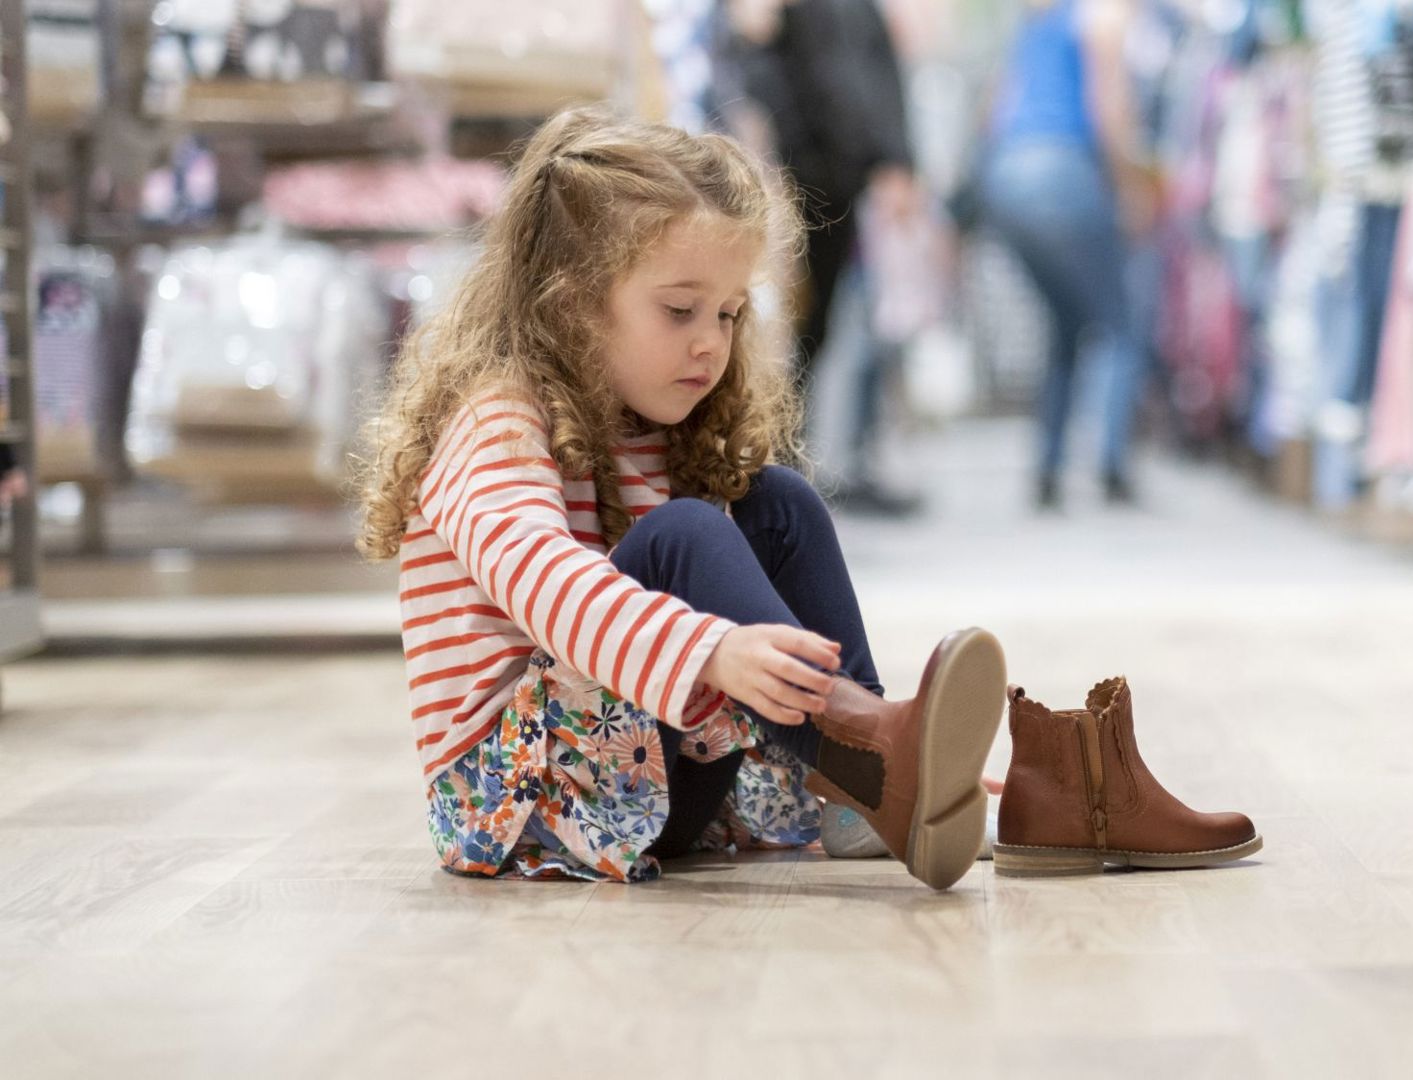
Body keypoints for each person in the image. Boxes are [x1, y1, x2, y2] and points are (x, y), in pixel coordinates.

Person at [355, 107, 1005, 891]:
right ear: (572, 300)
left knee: (777, 504)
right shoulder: (496, 419)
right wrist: (710, 649)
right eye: (679, 310)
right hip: (519, 800)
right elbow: (544, 579)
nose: (712, 342)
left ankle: (866, 777)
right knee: (683, 536)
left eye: (730, 313)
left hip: (641, 776)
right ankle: (870, 757)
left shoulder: (656, 423)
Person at [724, 0, 926, 517]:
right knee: (768, 327)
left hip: (840, 182)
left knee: (819, 330)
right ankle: (766, 465)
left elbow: (880, 75)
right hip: (784, 176)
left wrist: (897, 159)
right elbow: (748, 63)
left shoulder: (858, 10)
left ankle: (792, 465)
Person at [981, 0, 1155, 511]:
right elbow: (1110, 106)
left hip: (1007, 178)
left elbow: (994, 111)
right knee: (1119, 326)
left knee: (1065, 324)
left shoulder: (1034, 23)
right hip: (1064, 174)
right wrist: (1131, 183)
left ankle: (1049, 468)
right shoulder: (1101, 14)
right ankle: (1112, 464)